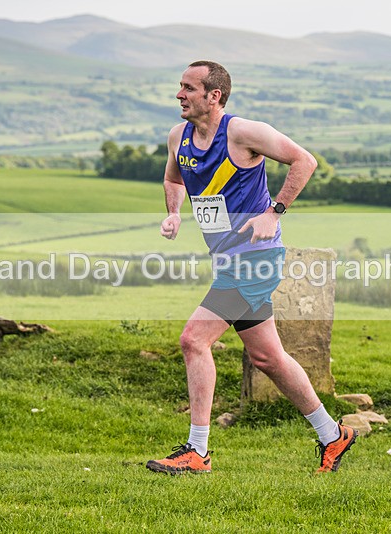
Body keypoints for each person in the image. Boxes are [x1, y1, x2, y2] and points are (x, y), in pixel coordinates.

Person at [145, 61, 357, 475]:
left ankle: (197, 451)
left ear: (214, 96)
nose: (179, 95)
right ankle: (333, 435)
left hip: (255, 260)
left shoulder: (243, 133)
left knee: (193, 340)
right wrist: (174, 213)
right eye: (179, 86)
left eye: (188, 88)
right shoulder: (178, 137)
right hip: (227, 261)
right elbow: (173, 179)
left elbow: (305, 161)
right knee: (269, 358)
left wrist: (274, 213)